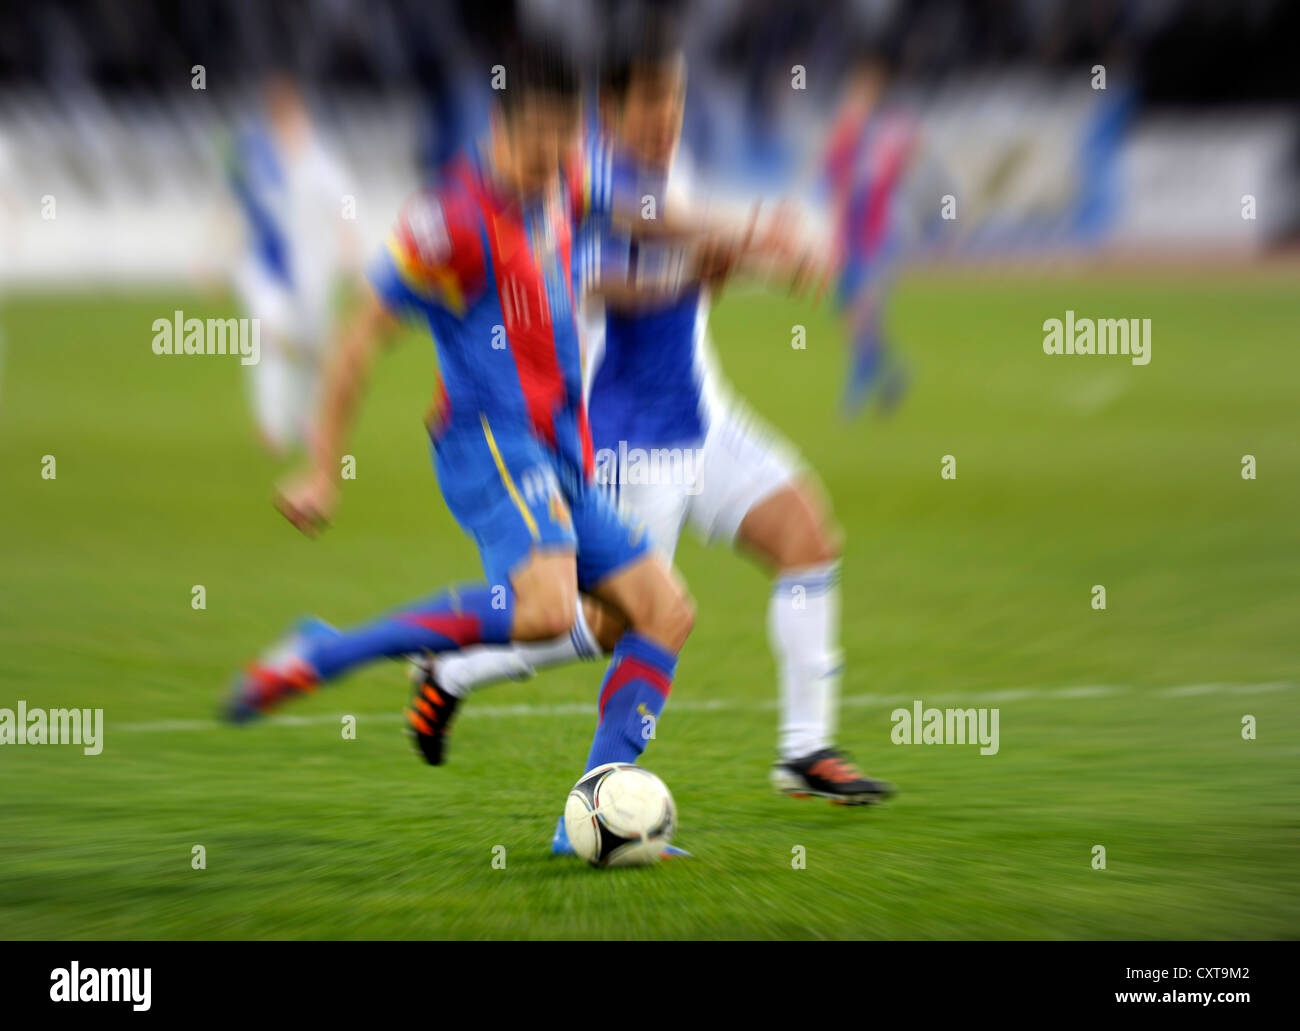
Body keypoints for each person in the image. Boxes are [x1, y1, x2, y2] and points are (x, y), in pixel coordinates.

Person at [426, 24, 894, 827]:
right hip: (624, 427)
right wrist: (748, 244)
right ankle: (456, 667)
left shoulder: (669, 174)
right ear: (609, 107)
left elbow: (691, 265)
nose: (668, 114)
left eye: (675, 97)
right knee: (611, 622)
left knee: (806, 535)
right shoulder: (584, 179)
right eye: (650, 99)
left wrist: (744, 254)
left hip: (700, 415)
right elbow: (599, 284)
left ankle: (803, 750)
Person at [224, 42, 708, 787]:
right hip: (489, 441)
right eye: (537, 139)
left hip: (560, 451)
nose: (552, 156)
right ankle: (322, 650)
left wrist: (751, 238)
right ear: (497, 125)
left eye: (563, 137)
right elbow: (360, 337)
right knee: (546, 607)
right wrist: (323, 466)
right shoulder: (447, 220)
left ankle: (593, 805)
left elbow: (640, 214)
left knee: (663, 610)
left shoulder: (568, 181)